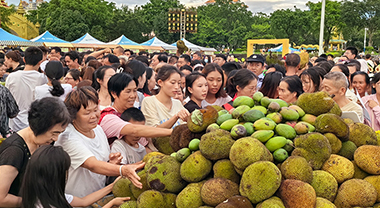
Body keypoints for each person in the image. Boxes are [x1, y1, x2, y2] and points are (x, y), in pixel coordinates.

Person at [55, 86, 145, 199]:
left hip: (98, 197)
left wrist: (111, 162)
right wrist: (123, 170)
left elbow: (101, 164)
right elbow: (92, 165)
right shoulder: (68, 137)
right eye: (87, 113)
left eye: (95, 110)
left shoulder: (97, 129)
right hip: (77, 201)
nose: (94, 116)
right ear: (73, 116)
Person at [0, 97, 71, 207]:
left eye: (59, 133)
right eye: (54, 133)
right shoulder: (14, 151)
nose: (56, 138)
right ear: (40, 126)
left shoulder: (43, 142)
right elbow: (1, 198)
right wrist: (37, 203)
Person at [20, 145, 130, 208]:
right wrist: (112, 203)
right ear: (56, 176)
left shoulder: (42, 195)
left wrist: (112, 186)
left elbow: (83, 201)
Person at [99, 73, 172, 144]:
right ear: (114, 94)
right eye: (128, 91)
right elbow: (135, 130)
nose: (133, 95)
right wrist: (172, 132)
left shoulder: (134, 113)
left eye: (134, 91)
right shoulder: (108, 118)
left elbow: (143, 144)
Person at [5, 47, 47, 132]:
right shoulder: (43, 79)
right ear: (40, 62)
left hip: (14, 124)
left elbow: (7, 99)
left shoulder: (12, 77)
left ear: (24, 60)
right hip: (35, 123)